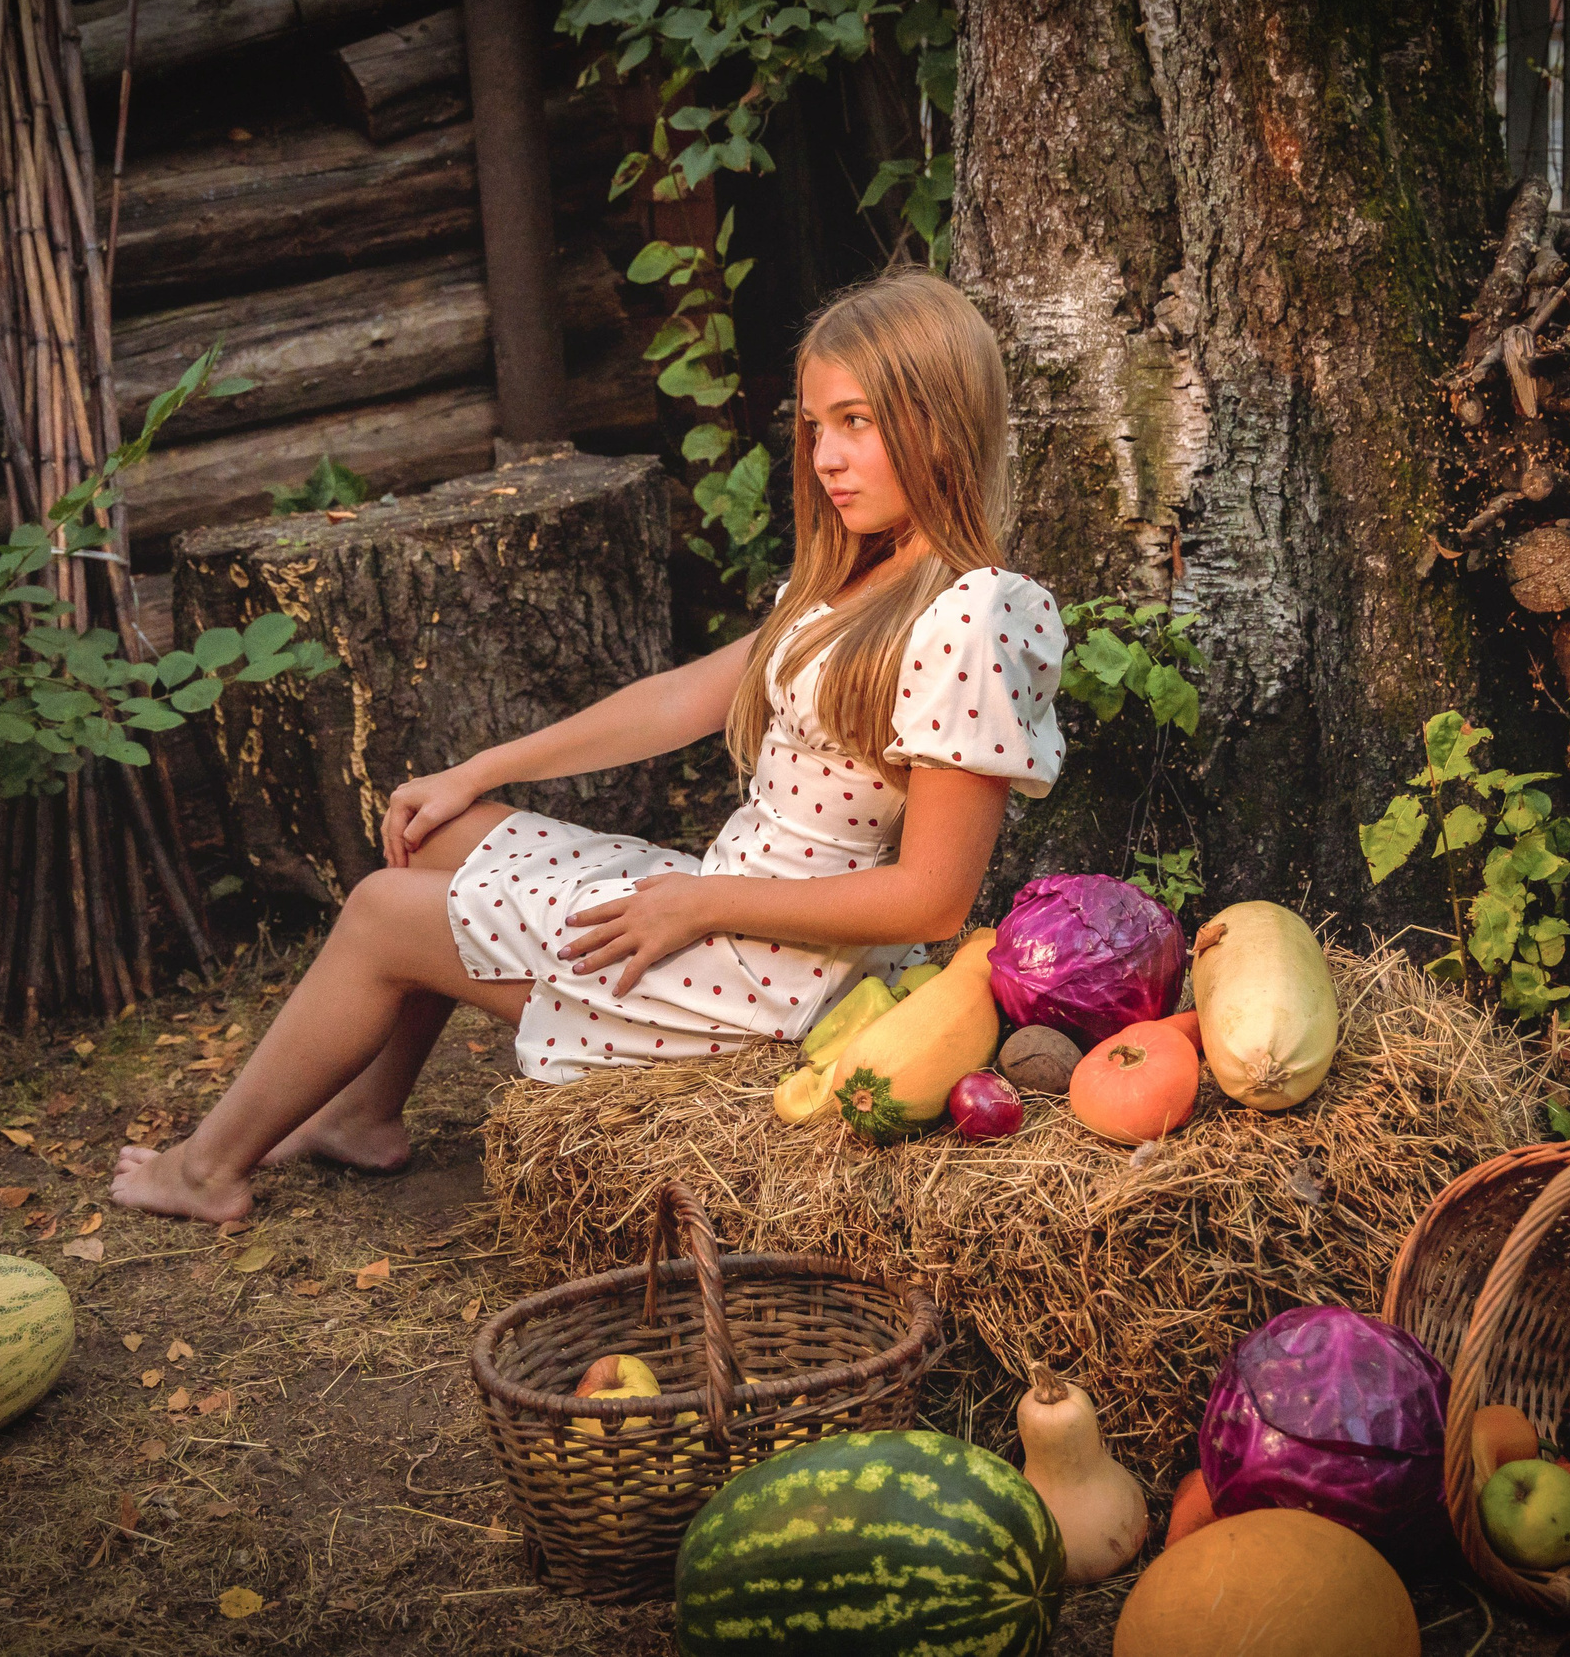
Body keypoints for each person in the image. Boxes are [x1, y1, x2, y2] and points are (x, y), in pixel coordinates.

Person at [111, 266, 1068, 1222]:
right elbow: (678, 698)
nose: (825, 456)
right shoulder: (853, 579)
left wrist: (695, 902)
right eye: (816, 425)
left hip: (773, 977)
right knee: (440, 831)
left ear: (940, 421)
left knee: (379, 911)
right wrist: (483, 768)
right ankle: (363, 1109)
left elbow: (933, 899)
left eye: (856, 421)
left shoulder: (964, 619)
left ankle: (205, 1171)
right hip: (736, 903)